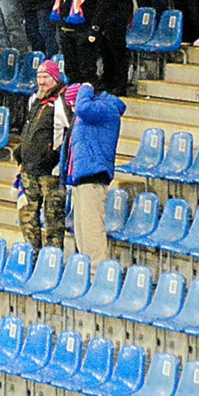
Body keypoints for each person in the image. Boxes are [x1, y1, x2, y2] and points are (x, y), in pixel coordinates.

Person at [61, 83, 125, 266]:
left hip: (94, 176)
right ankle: (86, 272)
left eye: (73, 104)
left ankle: (97, 273)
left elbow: (83, 108)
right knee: (81, 233)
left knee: (92, 232)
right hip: (80, 178)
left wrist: (86, 88)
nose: (73, 110)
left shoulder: (104, 109)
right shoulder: (85, 115)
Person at [15, 60, 67, 250]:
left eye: (46, 77)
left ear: (55, 78)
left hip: (50, 172)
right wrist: (21, 151)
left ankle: (53, 258)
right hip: (29, 169)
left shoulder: (62, 102)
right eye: (39, 77)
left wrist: (54, 156)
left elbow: (70, 134)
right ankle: (33, 255)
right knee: (27, 217)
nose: (42, 81)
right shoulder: (34, 100)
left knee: (53, 220)